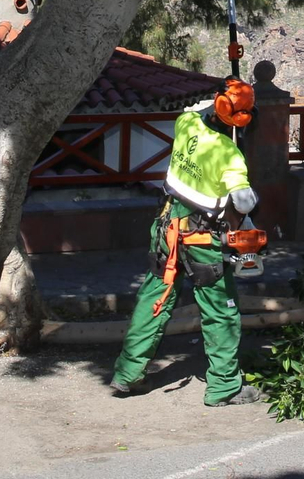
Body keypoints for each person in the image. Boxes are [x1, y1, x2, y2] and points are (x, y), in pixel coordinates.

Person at [109, 78, 264, 406]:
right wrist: (249, 188)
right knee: (221, 311)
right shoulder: (229, 155)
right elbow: (245, 202)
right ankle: (224, 387)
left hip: (167, 227)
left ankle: (127, 373)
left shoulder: (186, 123)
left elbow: (200, 112)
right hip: (202, 240)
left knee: (155, 297)